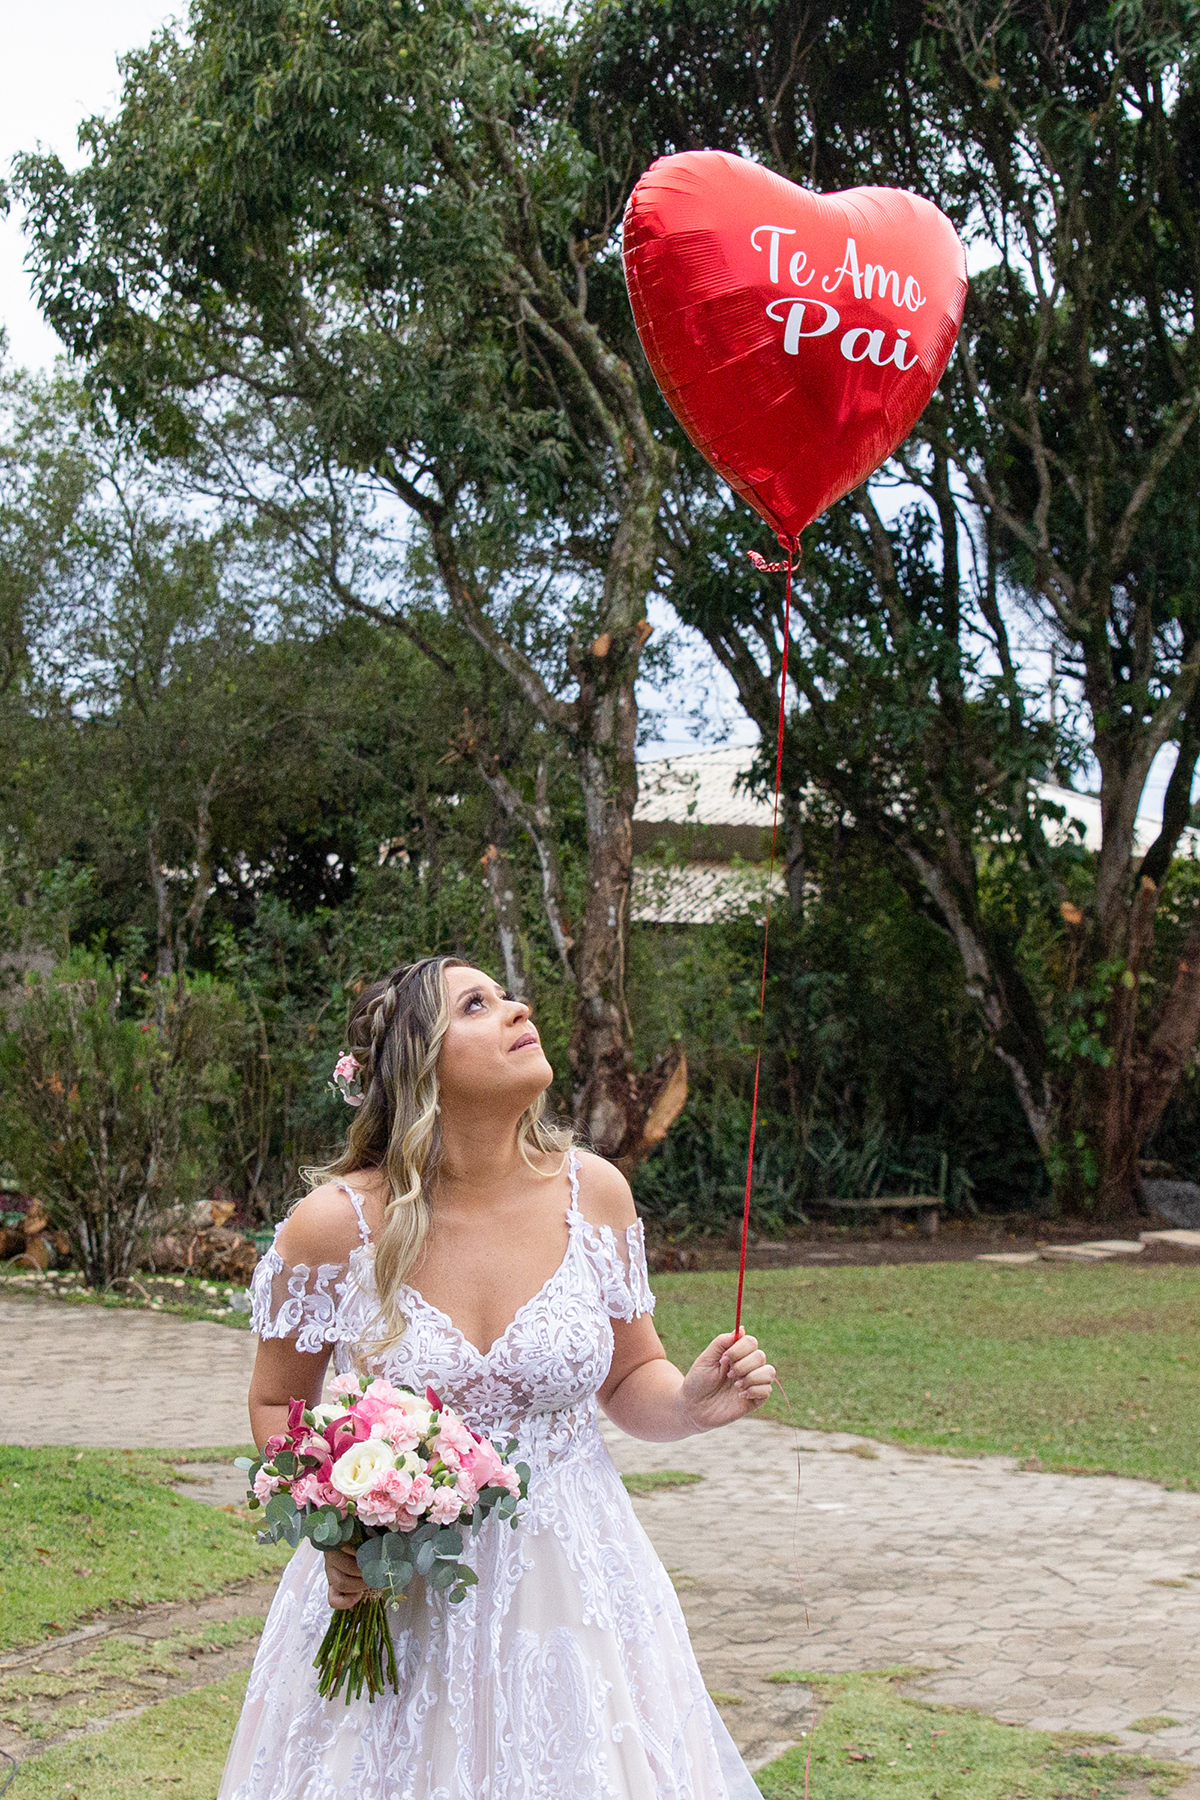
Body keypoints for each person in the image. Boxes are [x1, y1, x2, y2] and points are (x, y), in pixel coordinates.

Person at [218, 955, 776, 1800]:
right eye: (477, 1004)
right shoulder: (334, 1227)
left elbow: (632, 1381)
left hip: (576, 1586)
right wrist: (336, 1530)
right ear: (419, 1064)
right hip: (396, 1591)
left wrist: (691, 1403)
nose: (518, 1009)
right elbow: (274, 1405)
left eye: (507, 995)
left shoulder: (597, 1197)